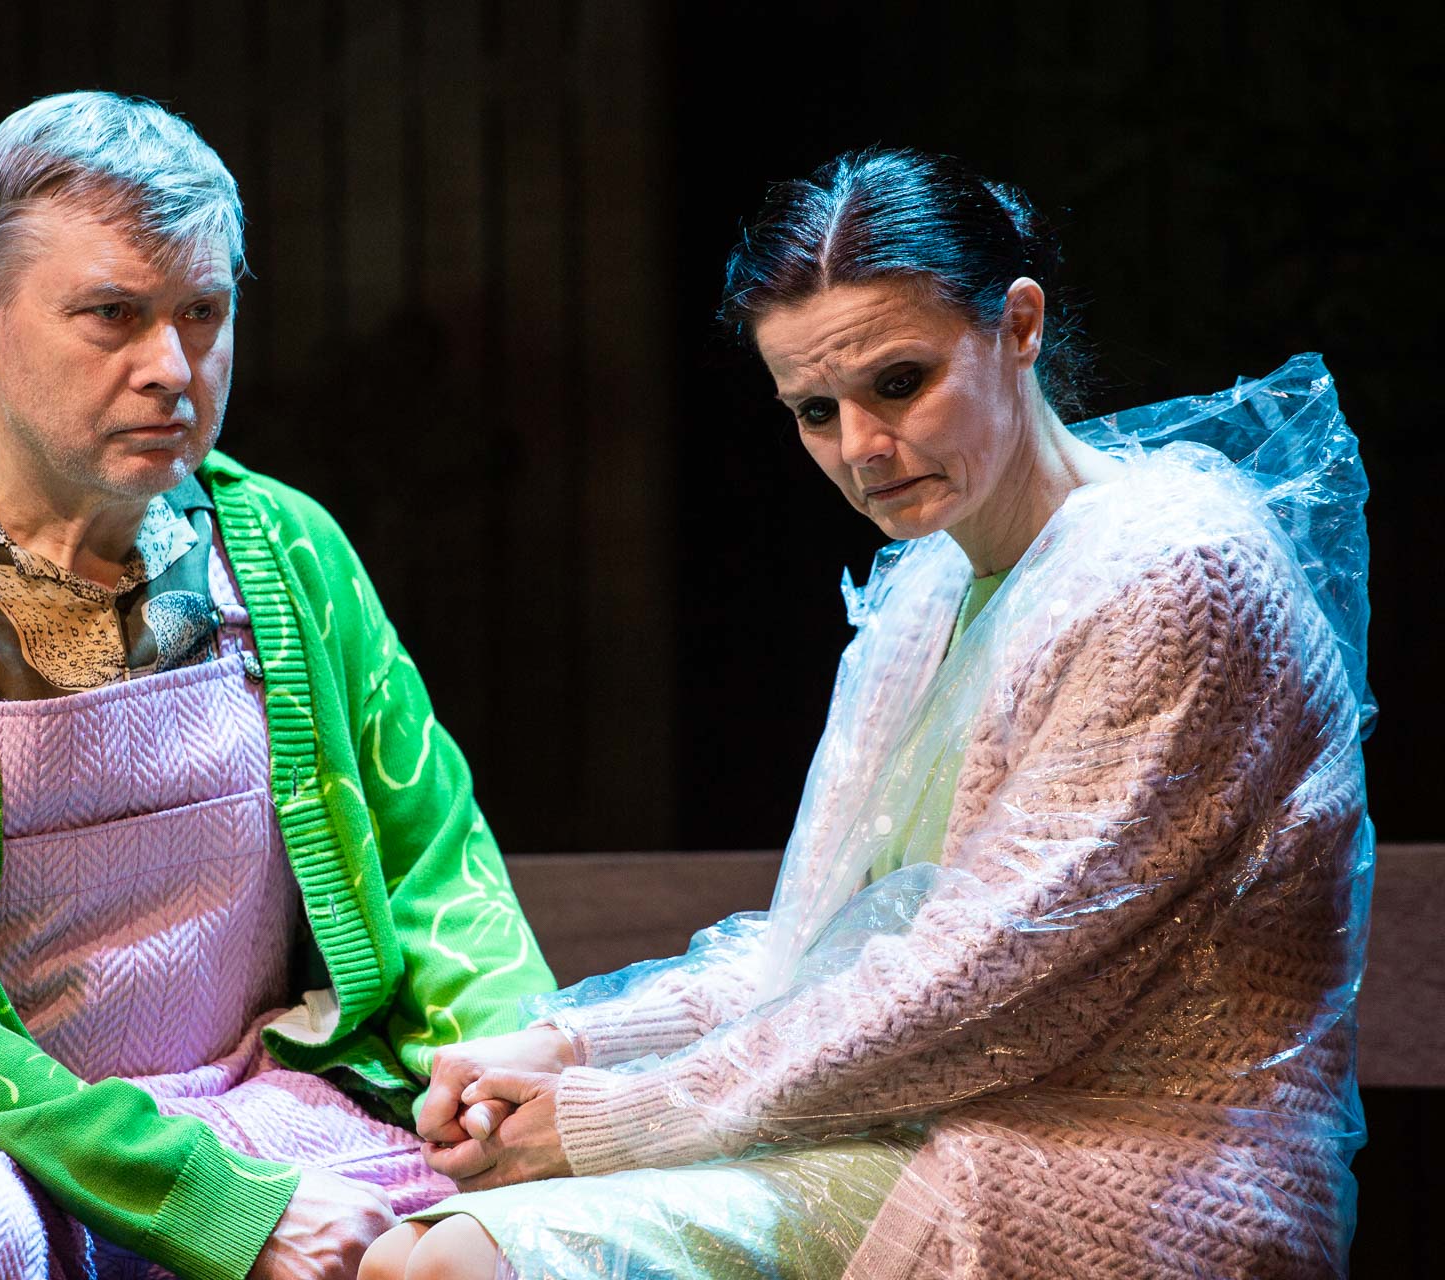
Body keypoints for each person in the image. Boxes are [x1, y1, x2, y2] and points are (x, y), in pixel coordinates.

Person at [363, 150, 1373, 1279]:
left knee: (448, 1262)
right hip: (920, 1124)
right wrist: (575, 1044)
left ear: (1020, 326)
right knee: (409, 1240)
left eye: (899, 381)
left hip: (1124, 1176)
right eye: (815, 410)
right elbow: (829, 950)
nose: (859, 448)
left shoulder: (1173, 575)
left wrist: (616, 1116)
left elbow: (989, 980)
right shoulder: (931, 588)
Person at [0, 91, 556, 1280]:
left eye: (202, 312)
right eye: (113, 314)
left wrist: (509, 1061)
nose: (171, 367)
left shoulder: (287, 551)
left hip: (259, 1102)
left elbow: (435, 861)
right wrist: (207, 1200)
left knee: (525, 1218)